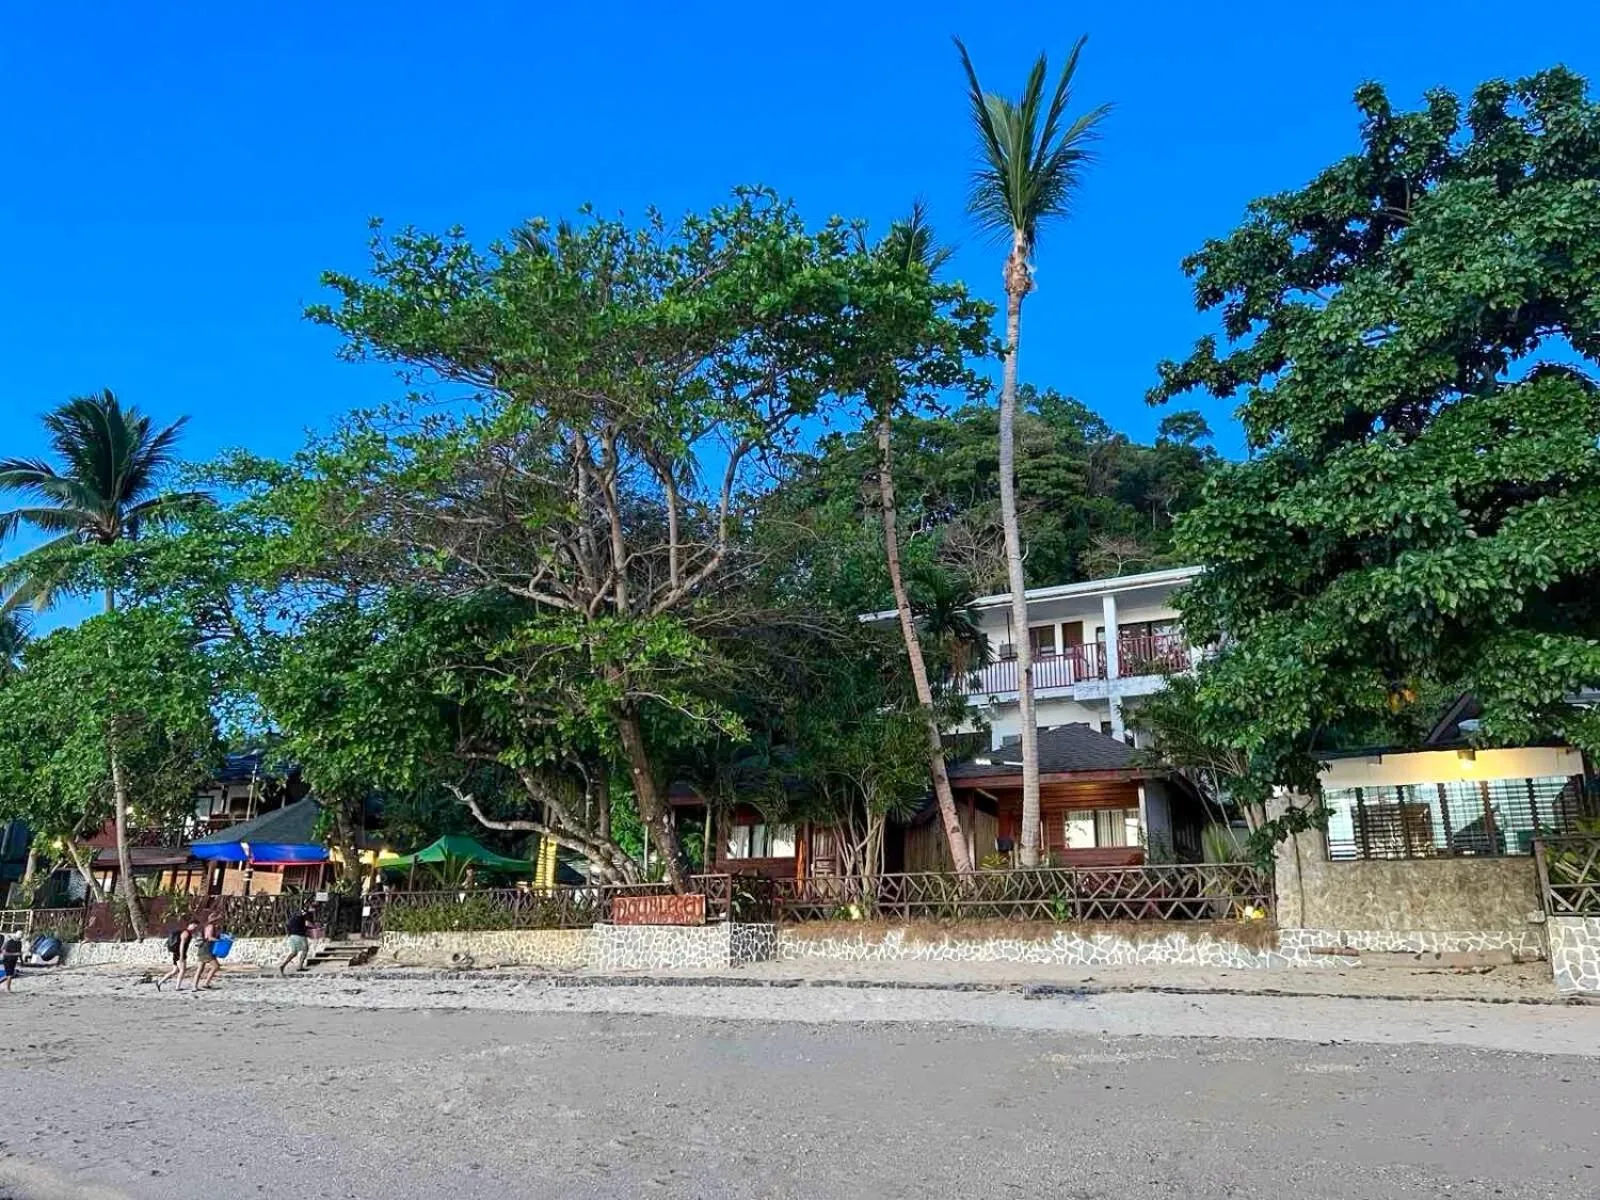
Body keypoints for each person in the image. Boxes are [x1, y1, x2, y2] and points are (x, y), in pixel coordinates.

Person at [156, 920, 199, 992]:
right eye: (195, 926)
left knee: (174, 971)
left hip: (176, 953)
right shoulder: (186, 933)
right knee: (182, 970)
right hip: (179, 954)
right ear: (191, 924)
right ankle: (177, 987)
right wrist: (182, 956)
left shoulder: (185, 932)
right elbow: (182, 945)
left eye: (196, 927)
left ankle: (160, 982)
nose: (195, 928)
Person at [277, 905, 315, 976]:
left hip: (291, 936)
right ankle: (300, 966)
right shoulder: (302, 918)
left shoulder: (291, 919)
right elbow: (307, 925)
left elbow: (287, 926)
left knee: (294, 952)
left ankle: (283, 965)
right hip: (300, 936)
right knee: (305, 949)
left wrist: (289, 934)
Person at [192, 917, 222, 992]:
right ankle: (206, 983)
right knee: (216, 966)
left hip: (203, 948)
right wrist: (219, 940)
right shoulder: (211, 926)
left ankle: (194, 986)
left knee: (200, 969)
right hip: (207, 949)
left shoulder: (206, 926)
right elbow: (209, 938)